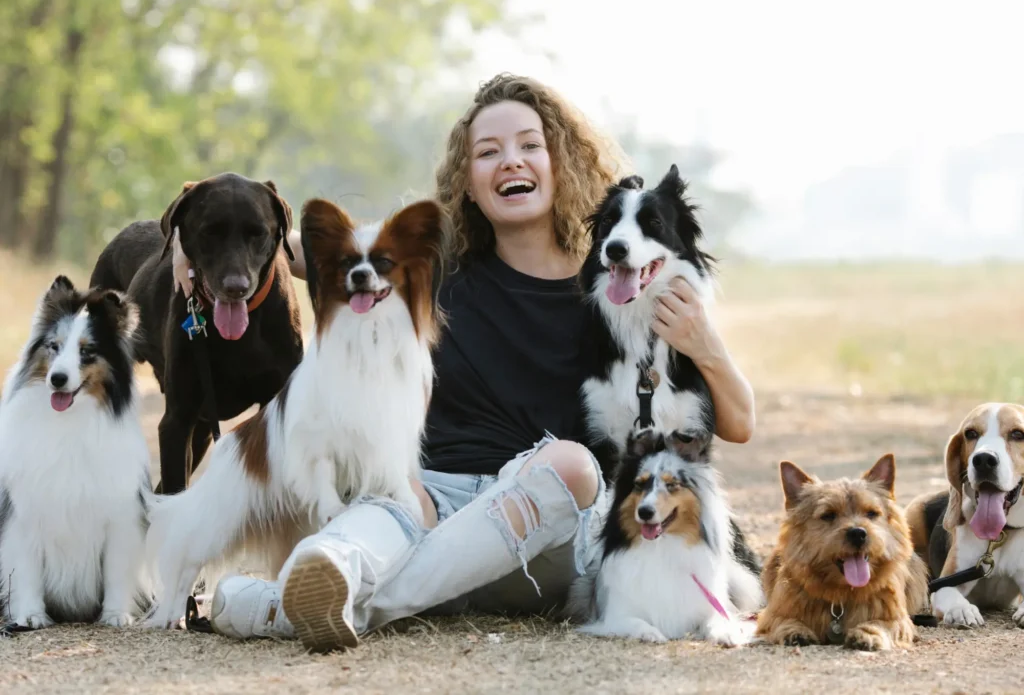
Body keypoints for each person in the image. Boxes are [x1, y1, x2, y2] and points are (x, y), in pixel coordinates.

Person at [169, 73, 757, 650]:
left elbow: (737, 423)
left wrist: (705, 343)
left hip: (547, 526)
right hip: (433, 504)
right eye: (488, 152)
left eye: (531, 146)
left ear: (562, 163)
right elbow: (289, 242)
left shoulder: (613, 289)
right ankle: (326, 577)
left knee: (572, 464)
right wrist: (190, 245)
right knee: (392, 491)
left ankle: (278, 606)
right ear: (467, 180)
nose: (511, 162)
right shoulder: (431, 269)